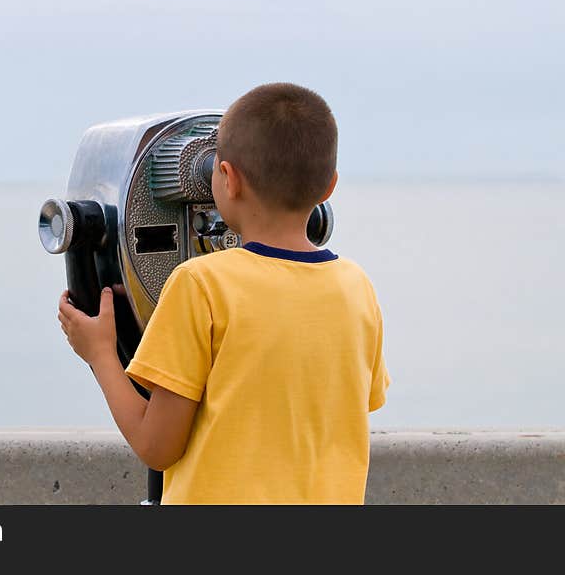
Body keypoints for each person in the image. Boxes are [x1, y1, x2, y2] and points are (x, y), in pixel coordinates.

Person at [57, 82, 390, 504]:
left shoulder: (200, 286)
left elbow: (156, 446)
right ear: (329, 188)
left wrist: (101, 354)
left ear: (227, 178)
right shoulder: (357, 288)